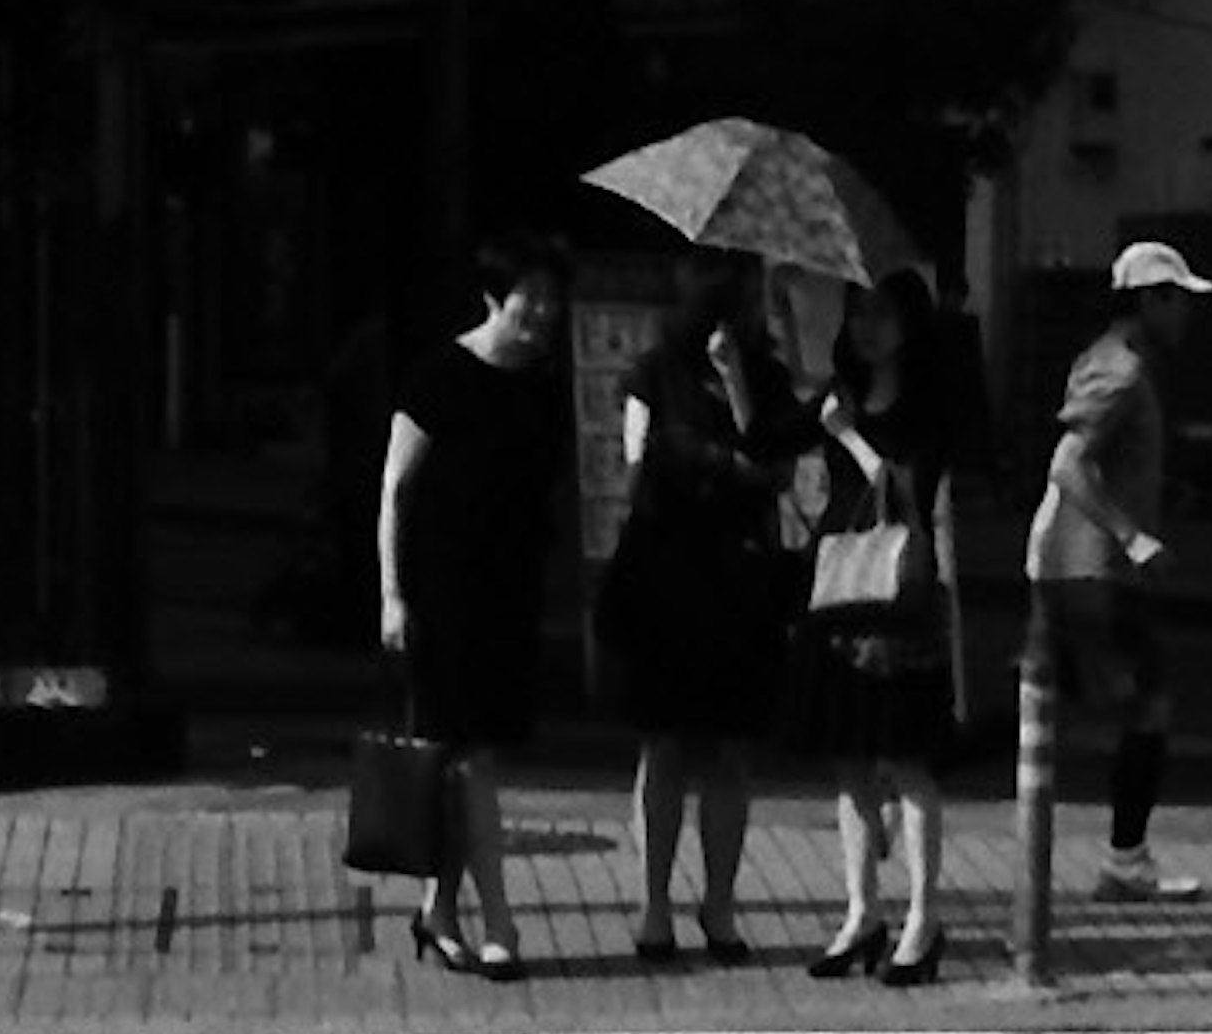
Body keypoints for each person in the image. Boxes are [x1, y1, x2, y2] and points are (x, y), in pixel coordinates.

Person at [376, 228, 575, 983]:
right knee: (470, 761)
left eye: (553, 301)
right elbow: (395, 489)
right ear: (496, 297)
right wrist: (392, 593)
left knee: (460, 766)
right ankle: (499, 923)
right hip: (442, 590)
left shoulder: (541, 382)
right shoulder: (441, 376)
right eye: (531, 299)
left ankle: (438, 911)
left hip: (508, 589)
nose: (543, 314)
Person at [597, 254, 797, 966]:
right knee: (666, 744)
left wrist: (740, 386)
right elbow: (637, 468)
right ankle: (655, 904)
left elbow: (777, 469)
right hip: (670, 575)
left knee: (730, 751)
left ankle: (719, 904)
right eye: (737, 296)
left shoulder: (767, 377)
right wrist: (722, 465)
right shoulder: (653, 374)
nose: (745, 312)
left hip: (740, 579)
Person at [792, 261, 968, 989]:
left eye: (881, 316)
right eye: (857, 314)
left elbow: (906, 490)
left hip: (899, 596)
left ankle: (923, 920)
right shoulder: (841, 396)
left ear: (908, 328)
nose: (865, 327)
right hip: (839, 591)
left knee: (908, 763)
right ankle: (862, 911)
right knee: (851, 761)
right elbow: (765, 441)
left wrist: (853, 438)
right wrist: (736, 367)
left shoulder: (926, 407)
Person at [1029, 235, 1212, 901]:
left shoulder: (1112, 360)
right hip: (1093, 569)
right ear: (1148, 300)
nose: (1185, 315)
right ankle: (1125, 860)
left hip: (1080, 566)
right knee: (1145, 703)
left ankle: (893, 780)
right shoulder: (1122, 371)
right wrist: (1133, 535)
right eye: (1177, 300)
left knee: (1065, 702)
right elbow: (1067, 462)